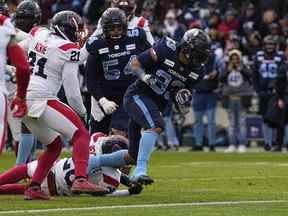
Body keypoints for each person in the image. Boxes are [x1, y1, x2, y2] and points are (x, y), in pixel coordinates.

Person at [87, 28, 211, 185]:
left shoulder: (197, 71)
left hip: (155, 104)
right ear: (186, 47)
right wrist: (144, 76)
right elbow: (135, 64)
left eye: (202, 55)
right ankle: (141, 171)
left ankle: (91, 162)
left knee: (132, 155)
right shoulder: (166, 48)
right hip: (137, 95)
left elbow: (181, 96)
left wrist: (182, 99)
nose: (199, 59)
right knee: (156, 124)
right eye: (198, 54)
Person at [18, 10, 108, 200]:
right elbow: (72, 91)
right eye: (76, 30)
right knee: (81, 134)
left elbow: (18, 49)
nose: (78, 35)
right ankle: (81, 178)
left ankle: (34, 187)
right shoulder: (65, 48)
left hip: (23, 97)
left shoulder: (38, 33)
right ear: (66, 29)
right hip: (41, 96)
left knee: (54, 146)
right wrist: (83, 112)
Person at [0, 133, 142, 197]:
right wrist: (128, 192)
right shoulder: (110, 178)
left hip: (54, 168)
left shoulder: (95, 140)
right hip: (57, 188)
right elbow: (107, 194)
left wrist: (125, 180)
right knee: (25, 188)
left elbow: (103, 161)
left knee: (24, 170)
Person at [86, 8, 151, 135]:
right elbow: (91, 80)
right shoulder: (97, 45)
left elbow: (152, 57)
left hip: (128, 95)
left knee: (119, 132)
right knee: (96, 138)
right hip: (104, 96)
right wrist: (102, 100)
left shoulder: (136, 37)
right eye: (112, 28)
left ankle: (123, 153)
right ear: (104, 28)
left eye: (119, 28)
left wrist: (145, 76)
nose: (116, 32)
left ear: (125, 27)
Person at [0, 13, 30, 154]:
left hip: (9, 89)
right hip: (6, 91)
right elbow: (23, 67)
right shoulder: (6, 27)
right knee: (19, 132)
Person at [252, 35, 285, 151]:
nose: (270, 46)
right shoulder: (258, 56)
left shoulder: (280, 57)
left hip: (276, 92)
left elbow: (282, 75)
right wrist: (257, 90)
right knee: (265, 118)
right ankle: (267, 142)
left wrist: (278, 89)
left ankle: (277, 142)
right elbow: (254, 75)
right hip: (263, 92)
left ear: (275, 46)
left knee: (277, 118)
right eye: (268, 44)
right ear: (264, 45)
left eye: (272, 44)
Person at [221, 49, 253, 153]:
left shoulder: (244, 67)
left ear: (239, 59)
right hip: (230, 98)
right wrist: (228, 70)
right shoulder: (227, 67)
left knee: (241, 122)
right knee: (232, 123)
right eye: (232, 58)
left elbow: (250, 75)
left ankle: (242, 144)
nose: (234, 60)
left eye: (236, 58)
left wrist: (241, 69)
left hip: (241, 98)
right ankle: (232, 144)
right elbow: (221, 78)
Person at [191, 52, 221, 151]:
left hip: (210, 93)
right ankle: (198, 144)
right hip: (198, 93)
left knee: (211, 121)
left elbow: (221, 70)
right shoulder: (194, 60)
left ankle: (212, 144)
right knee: (197, 120)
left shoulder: (215, 59)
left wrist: (217, 73)